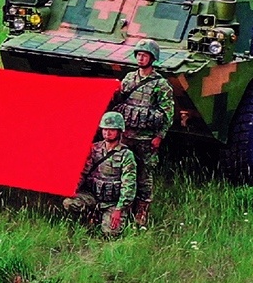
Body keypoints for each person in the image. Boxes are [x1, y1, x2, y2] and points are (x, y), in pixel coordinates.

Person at [113, 45, 177, 225]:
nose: (141, 59)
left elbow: (167, 113)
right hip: (127, 134)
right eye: (139, 55)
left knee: (144, 174)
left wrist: (159, 136)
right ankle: (120, 207)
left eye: (145, 56)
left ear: (152, 58)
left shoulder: (160, 84)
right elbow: (119, 100)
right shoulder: (129, 79)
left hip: (146, 137)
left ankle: (142, 211)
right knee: (122, 171)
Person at [64, 112, 137, 236]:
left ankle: (104, 217)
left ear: (119, 131)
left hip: (112, 202)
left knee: (110, 233)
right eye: (105, 129)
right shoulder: (94, 149)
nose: (107, 133)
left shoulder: (126, 155)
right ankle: (87, 221)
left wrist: (119, 209)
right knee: (69, 203)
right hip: (92, 196)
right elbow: (83, 173)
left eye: (111, 130)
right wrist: (73, 189)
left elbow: (129, 185)